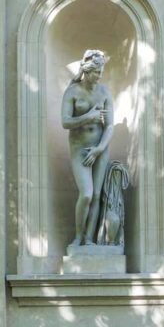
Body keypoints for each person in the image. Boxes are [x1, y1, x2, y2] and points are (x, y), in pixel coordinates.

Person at [60, 49, 115, 247]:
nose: (99, 76)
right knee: (86, 194)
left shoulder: (104, 92)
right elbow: (65, 122)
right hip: (80, 149)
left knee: (98, 195)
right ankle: (78, 237)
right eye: (96, 72)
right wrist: (88, 117)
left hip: (99, 149)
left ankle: (90, 240)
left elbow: (109, 125)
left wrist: (100, 149)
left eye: (101, 73)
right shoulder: (72, 92)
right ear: (87, 71)